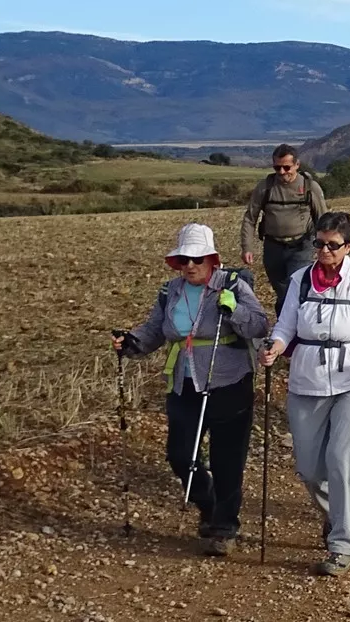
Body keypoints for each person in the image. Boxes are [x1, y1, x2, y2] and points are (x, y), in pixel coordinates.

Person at [114, 223, 270, 557]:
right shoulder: (170, 291)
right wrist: (130, 342)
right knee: (180, 455)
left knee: (228, 460)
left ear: (212, 259)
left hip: (230, 382)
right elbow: (155, 330)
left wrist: (235, 310)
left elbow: (259, 325)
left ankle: (224, 527)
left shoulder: (233, 284)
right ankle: (207, 502)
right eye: (183, 259)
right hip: (183, 382)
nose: (189, 265)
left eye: (197, 259)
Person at [261, 211, 350, 577]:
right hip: (307, 382)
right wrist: (275, 347)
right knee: (309, 470)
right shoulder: (300, 279)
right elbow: (286, 325)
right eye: (318, 244)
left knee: (342, 459)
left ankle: (343, 544)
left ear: (349, 247)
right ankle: (337, 516)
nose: (324, 251)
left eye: (332, 246)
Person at [240, 143, 327, 309]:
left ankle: (295, 322)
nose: (281, 172)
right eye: (277, 167)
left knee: (295, 288)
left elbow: (322, 219)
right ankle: (284, 321)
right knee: (281, 291)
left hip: (301, 246)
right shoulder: (265, 187)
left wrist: (324, 247)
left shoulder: (309, 187)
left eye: (286, 167)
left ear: (297, 165)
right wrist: (247, 247)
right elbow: (250, 218)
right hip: (273, 247)